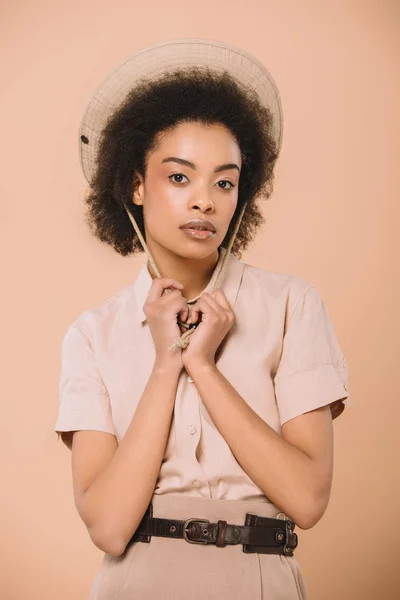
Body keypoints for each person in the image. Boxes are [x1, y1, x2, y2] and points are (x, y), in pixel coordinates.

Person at [54, 38, 351, 600]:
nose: (204, 202)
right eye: (179, 177)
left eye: (224, 181)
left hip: (261, 577)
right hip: (135, 584)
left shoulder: (291, 305)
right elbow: (110, 525)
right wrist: (167, 364)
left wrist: (205, 368)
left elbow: (308, 500)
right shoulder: (93, 335)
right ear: (136, 185)